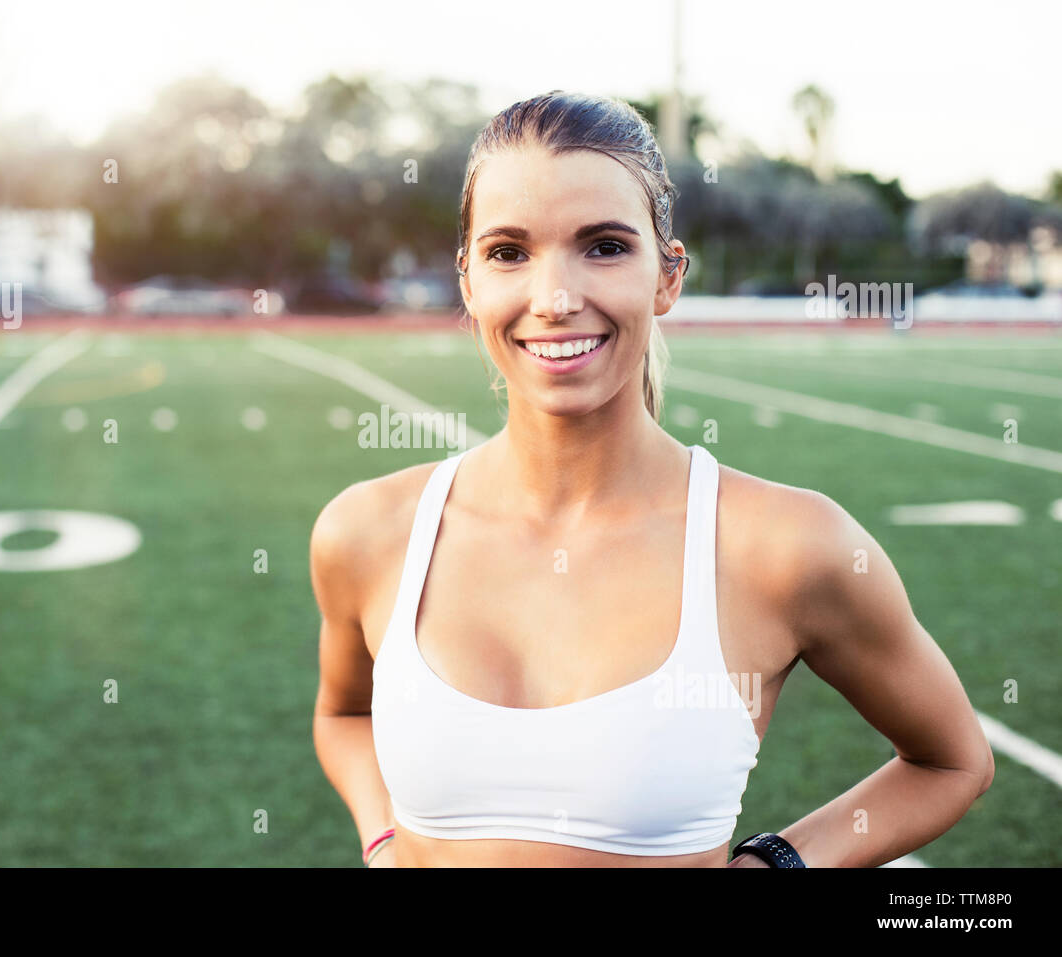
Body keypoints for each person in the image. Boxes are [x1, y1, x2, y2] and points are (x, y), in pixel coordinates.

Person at [310, 91, 993, 868]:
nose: (556, 298)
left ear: (667, 277)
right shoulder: (367, 532)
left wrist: (776, 864)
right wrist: (381, 838)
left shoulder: (787, 545)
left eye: (603, 246)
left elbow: (952, 761)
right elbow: (343, 713)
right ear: (467, 280)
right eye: (509, 252)